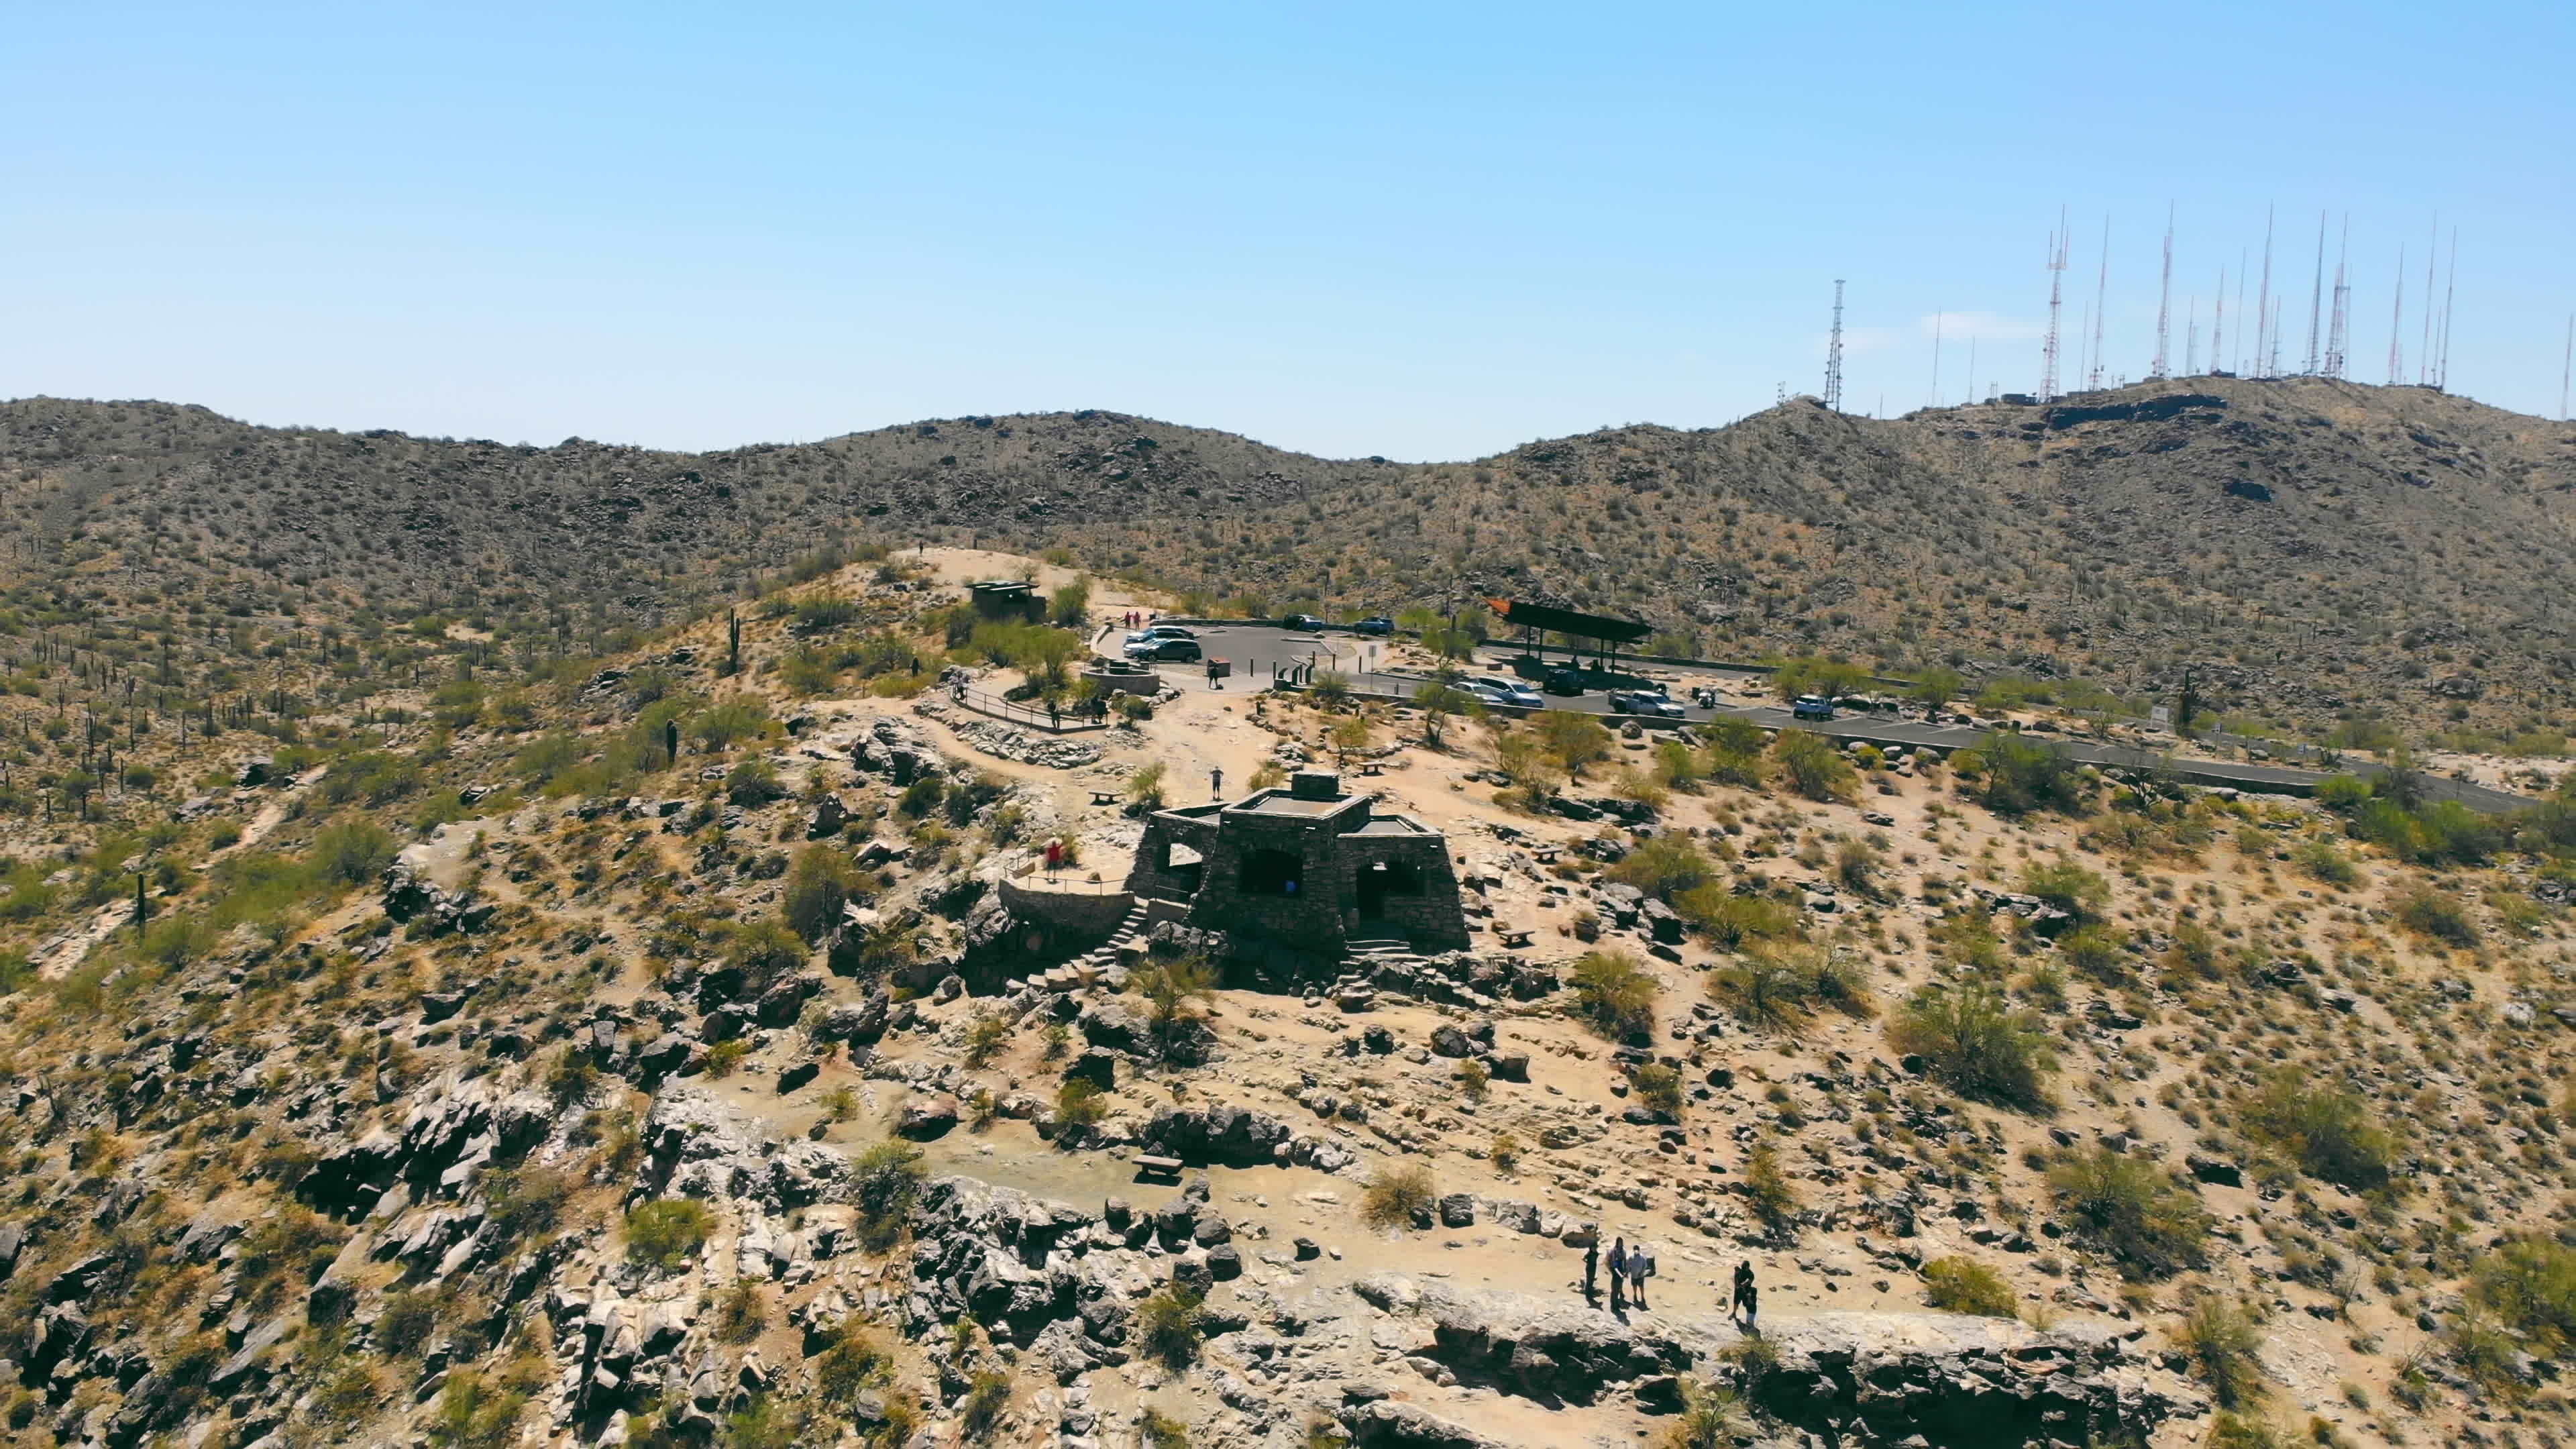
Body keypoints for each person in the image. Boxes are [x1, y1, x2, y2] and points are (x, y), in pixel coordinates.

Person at [1629, 1241, 1654, 1309]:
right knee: (1634, 1286)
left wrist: (1641, 1272)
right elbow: (1628, 1265)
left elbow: (1645, 1266)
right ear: (1634, 1250)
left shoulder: (1642, 1258)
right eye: (1635, 1249)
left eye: (1637, 1249)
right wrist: (1630, 1271)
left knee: (1641, 1287)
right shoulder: (1631, 1258)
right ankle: (1635, 1296)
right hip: (1634, 1275)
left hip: (1641, 1276)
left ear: (1639, 1250)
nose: (1636, 1251)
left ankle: (1643, 1297)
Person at [1606, 1238, 1628, 1312]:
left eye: (1621, 1242)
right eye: (1619, 1242)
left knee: (1618, 1289)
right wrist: (1620, 1274)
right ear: (1617, 1243)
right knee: (1614, 1290)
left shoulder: (1624, 1251)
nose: (1620, 1244)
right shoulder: (1614, 1251)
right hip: (1616, 1272)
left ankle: (1616, 1304)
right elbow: (1614, 1265)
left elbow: (1625, 1261)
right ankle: (1613, 1306)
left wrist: (1625, 1272)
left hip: (1621, 1271)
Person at [1582, 1238, 1599, 1303]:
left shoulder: (1596, 1253)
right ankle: (1588, 1295)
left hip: (1594, 1268)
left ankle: (1590, 1294)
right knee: (1589, 1281)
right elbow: (1583, 1258)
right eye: (1593, 1248)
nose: (1594, 1249)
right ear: (1591, 1248)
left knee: (1591, 1281)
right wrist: (1587, 1262)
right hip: (1589, 1268)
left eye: (1595, 1248)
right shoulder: (1590, 1253)